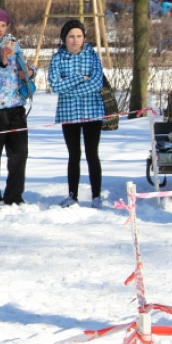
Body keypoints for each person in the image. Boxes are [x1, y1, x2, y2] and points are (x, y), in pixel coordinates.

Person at [0, 7, 34, 206]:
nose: (0, 30)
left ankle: (14, 196)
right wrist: (2, 62)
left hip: (17, 106)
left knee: (20, 153)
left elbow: (27, 66)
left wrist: (29, 72)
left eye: (3, 25)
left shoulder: (14, 44)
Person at [48, 19, 105, 209]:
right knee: (74, 154)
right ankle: (73, 195)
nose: (75, 40)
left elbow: (96, 83)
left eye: (79, 36)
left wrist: (70, 88)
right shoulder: (58, 58)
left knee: (92, 153)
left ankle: (96, 195)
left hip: (92, 111)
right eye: (71, 36)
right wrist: (80, 78)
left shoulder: (92, 56)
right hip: (69, 113)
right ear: (64, 39)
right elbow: (56, 85)